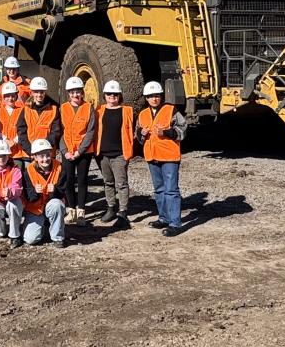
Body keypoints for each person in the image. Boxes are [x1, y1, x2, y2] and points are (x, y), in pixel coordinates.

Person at [135, 81, 189, 236]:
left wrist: (166, 133)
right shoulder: (143, 114)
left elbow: (183, 130)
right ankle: (163, 218)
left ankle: (175, 224)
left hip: (169, 156)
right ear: (146, 98)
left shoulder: (171, 110)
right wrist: (141, 134)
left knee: (171, 190)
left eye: (157, 96)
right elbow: (138, 136)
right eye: (151, 96)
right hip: (152, 157)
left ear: (161, 97)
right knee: (159, 190)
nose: (154, 99)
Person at [96, 80, 135, 230]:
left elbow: (132, 132)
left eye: (115, 94)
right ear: (104, 95)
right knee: (108, 182)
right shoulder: (99, 110)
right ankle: (111, 208)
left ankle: (123, 212)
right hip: (103, 154)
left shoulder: (127, 111)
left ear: (119, 95)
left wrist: (129, 152)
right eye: (109, 94)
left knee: (122, 184)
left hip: (120, 154)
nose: (112, 96)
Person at [60, 76, 96, 225]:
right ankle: (71, 211)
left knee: (82, 181)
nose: (75, 95)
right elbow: (60, 132)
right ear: (68, 94)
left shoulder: (89, 108)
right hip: (67, 151)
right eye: (72, 92)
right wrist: (65, 151)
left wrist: (79, 151)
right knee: (68, 181)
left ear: (82, 92)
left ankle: (81, 212)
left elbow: (90, 132)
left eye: (78, 92)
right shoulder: (63, 108)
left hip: (84, 152)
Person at [20, 138, 66, 248]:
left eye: (47, 155)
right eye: (41, 156)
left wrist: (54, 191)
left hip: (51, 205)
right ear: (35, 157)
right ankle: (44, 224)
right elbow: (28, 197)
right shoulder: (28, 171)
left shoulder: (60, 168)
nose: (45, 159)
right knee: (30, 239)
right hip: (35, 208)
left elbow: (62, 192)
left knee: (57, 204)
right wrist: (35, 192)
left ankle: (57, 237)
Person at [16, 77, 62, 158]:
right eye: (36, 92)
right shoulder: (26, 109)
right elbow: (21, 131)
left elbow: (56, 132)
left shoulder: (54, 109)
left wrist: (44, 149)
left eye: (42, 92)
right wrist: (30, 150)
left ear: (45, 92)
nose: (39, 95)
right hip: (30, 154)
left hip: (48, 154)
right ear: (32, 93)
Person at [0, 81, 26, 160]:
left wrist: (15, 141)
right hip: (2, 149)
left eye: (12, 96)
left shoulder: (23, 111)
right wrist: (6, 140)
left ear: (16, 96)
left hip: (18, 150)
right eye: (7, 96)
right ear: (3, 97)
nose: (10, 98)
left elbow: (25, 129)